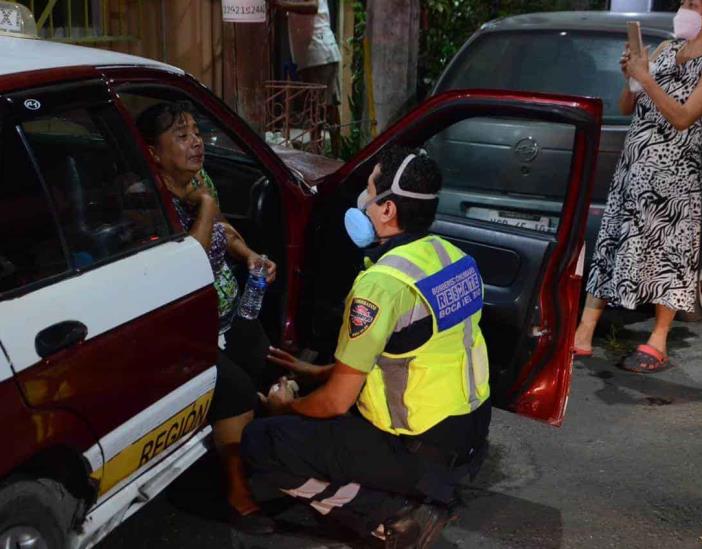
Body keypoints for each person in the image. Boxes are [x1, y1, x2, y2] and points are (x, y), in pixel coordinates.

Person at [241, 147, 491, 547]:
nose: (362, 199)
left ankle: (392, 516)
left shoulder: (382, 285)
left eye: (369, 190)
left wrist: (284, 407)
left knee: (264, 440)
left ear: (387, 209)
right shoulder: (453, 257)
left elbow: (336, 403)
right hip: (471, 437)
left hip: (418, 450)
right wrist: (316, 372)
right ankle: (416, 492)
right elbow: (410, 353)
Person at [135, 101, 277, 534]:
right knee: (233, 391)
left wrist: (251, 255)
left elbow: (224, 233)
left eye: (196, 132)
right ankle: (236, 494)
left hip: (227, 315)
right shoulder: (144, 198)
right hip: (184, 331)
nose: (196, 142)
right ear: (154, 152)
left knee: (258, 356)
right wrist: (208, 205)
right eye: (181, 135)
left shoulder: (198, 181)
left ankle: (238, 460)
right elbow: (190, 262)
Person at [574, 0, 702, 373]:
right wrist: (633, 76)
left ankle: (658, 339)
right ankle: (584, 330)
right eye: (683, 2)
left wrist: (647, 80)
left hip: (674, 176)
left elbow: (683, 116)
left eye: (692, 4)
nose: (684, 9)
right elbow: (627, 105)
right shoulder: (665, 49)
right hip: (633, 167)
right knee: (612, 242)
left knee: (669, 254)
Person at [274, 0, 342, 154]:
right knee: (327, 107)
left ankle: (317, 155)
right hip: (318, 52)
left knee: (316, 108)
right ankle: (335, 154)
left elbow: (312, 6)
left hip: (317, 52)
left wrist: (281, 4)